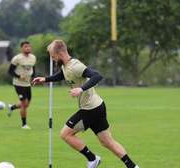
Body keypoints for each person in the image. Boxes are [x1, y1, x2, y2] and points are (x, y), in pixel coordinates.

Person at [32, 40, 139, 168]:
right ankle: (133, 166)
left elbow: (97, 76)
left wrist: (81, 89)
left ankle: (92, 159)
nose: (53, 59)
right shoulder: (66, 66)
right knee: (107, 142)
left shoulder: (75, 66)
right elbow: (63, 75)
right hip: (98, 106)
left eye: (53, 56)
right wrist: (45, 79)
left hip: (90, 110)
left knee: (65, 134)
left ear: (60, 53)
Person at [8, 41, 36, 129]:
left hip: (28, 84)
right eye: (25, 47)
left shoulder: (33, 57)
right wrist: (19, 76)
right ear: (22, 48)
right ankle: (24, 124)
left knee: (27, 104)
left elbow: (33, 69)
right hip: (18, 84)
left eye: (29, 47)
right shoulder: (17, 58)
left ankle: (12, 107)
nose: (28, 48)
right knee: (24, 104)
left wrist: (33, 78)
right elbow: (10, 71)